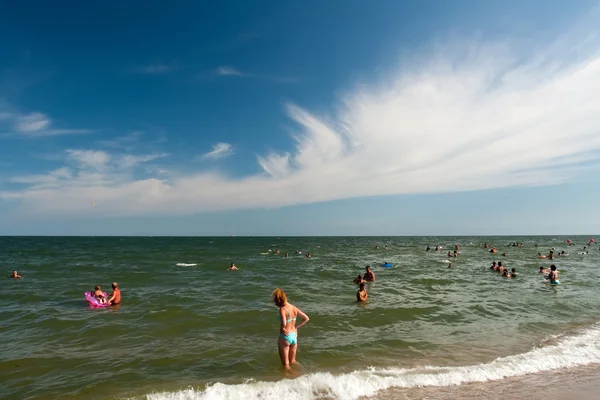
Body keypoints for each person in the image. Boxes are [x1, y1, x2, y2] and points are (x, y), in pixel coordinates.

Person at [272, 288, 309, 370]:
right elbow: (306, 318)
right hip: (294, 336)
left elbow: (284, 323)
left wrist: (282, 329)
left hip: (285, 337)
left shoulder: (282, 310)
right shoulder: (293, 307)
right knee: (293, 361)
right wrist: (296, 328)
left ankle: (289, 379)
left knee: (286, 365)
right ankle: (302, 373)